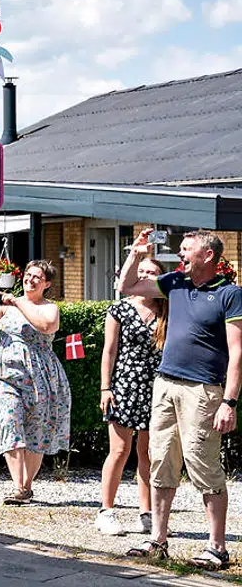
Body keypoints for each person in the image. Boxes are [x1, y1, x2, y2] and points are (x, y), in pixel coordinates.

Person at [120, 230, 242, 570]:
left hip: (203, 392)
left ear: (207, 256)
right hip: (166, 385)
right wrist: (136, 254)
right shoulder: (176, 283)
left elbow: (237, 354)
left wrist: (229, 402)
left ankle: (217, 548)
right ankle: (157, 540)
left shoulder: (230, 295)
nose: (179, 254)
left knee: (203, 466)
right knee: (160, 462)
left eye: (186, 250)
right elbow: (127, 288)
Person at [0, 260, 71, 506]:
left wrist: (19, 301)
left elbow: (46, 326)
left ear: (47, 283)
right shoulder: (5, 309)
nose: (30, 279)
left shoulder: (49, 308)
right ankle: (17, 486)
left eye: (37, 277)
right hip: (5, 375)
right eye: (28, 275)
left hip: (41, 376)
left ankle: (27, 486)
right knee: (9, 421)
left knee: (35, 431)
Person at [97, 255, 167, 537]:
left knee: (148, 454)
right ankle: (106, 510)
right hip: (124, 384)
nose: (146, 275)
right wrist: (105, 387)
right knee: (119, 450)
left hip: (158, 387)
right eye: (141, 271)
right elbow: (109, 351)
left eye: (152, 271)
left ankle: (146, 513)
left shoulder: (167, 310)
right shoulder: (119, 309)